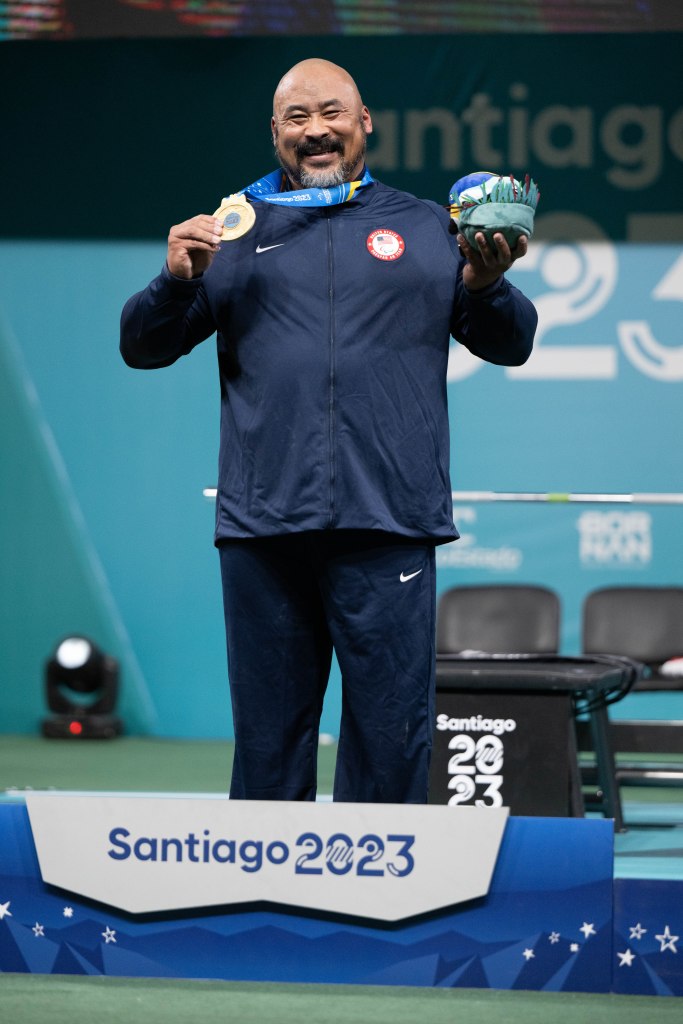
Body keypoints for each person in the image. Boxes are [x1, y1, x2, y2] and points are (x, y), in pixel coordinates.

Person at [120, 58, 537, 804]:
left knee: (390, 742)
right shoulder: (230, 230)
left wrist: (486, 285)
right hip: (264, 529)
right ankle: (265, 912)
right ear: (275, 133)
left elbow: (509, 341)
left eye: (332, 113)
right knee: (267, 745)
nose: (316, 130)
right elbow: (143, 348)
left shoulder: (424, 226)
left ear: (365, 121)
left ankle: (384, 915)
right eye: (297, 117)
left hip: (389, 523)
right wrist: (174, 279)